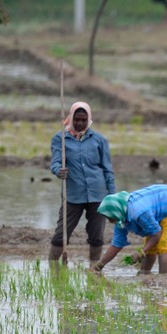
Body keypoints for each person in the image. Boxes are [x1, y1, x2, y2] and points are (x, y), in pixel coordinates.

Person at [49, 101, 115, 266]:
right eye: (76, 119)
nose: (79, 123)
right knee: (61, 235)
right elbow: (55, 163)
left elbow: (107, 169)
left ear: (89, 120)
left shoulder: (99, 140)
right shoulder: (60, 139)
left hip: (97, 193)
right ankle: (52, 267)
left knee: (96, 236)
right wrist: (59, 170)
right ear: (70, 118)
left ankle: (94, 268)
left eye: (83, 120)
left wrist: (112, 196)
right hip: (73, 194)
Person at [91, 184, 167, 275]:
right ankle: (144, 275)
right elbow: (117, 244)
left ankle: (163, 279)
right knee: (150, 246)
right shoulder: (120, 216)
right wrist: (98, 267)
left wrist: (141, 252)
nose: (110, 221)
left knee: (163, 244)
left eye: (110, 217)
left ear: (115, 212)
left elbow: (156, 234)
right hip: (159, 206)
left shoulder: (139, 212)